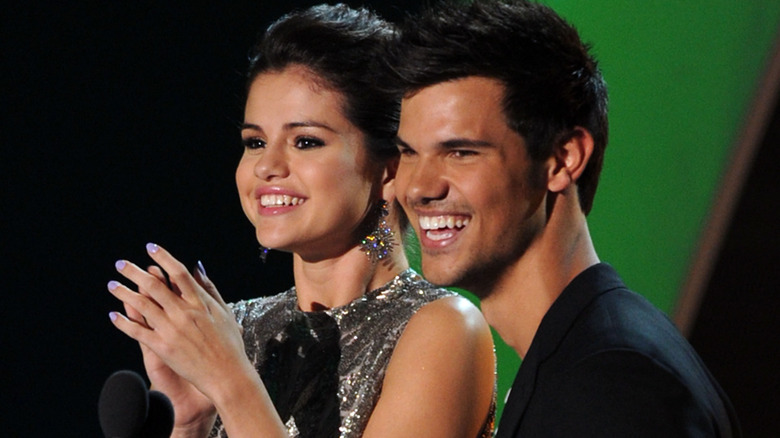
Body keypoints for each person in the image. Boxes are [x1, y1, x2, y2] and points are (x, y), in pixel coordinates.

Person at [106, 4, 496, 438]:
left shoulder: (442, 329)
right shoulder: (241, 330)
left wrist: (233, 386)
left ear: (389, 169)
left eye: (305, 141)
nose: (266, 166)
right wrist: (191, 421)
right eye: (255, 142)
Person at [389, 0, 741, 436]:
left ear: (563, 159)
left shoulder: (611, 386)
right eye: (408, 152)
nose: (419, 187)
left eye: (460, 152)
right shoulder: (584, 362)